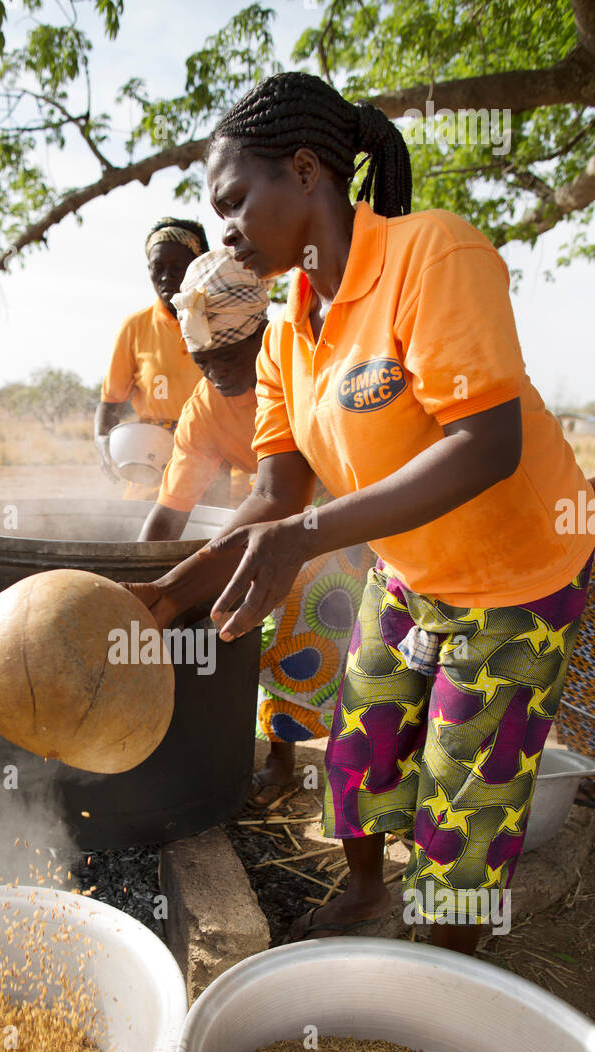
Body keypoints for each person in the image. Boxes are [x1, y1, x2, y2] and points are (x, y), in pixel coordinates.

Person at [124, 71, 595, 956]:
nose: (222, 231)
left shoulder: (434, 255)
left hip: (518, 579)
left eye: (233, 200)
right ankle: (368, 892)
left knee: (464, 804)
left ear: (306, 171)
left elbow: (485, 445)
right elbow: (276, 494)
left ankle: (446, 967)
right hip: (412, 569)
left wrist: (302, 538)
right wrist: (169, 593)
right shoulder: (287, 329)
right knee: (361, 746)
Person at [139, 247, 372, 807]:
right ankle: (284, 756)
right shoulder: (204, 410)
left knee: (315, 619)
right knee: (251, 615)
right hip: (280, 519)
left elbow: (290, 489)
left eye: (225, 355)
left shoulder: (301, 363)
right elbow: (171, 511)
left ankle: (327, 764)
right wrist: (150, 580)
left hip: (356, 511)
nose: (216, 373)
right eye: (202, 361)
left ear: (258, 330)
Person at [94, 217, 209, 495]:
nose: (166, 276)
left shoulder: (224, 320)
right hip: (150, 469)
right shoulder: (136, 327)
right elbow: (111, 404)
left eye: (177, 268)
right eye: (158, 268)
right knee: (152, 537)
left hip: (214, 464)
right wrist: (102, 441)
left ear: (198, 268)